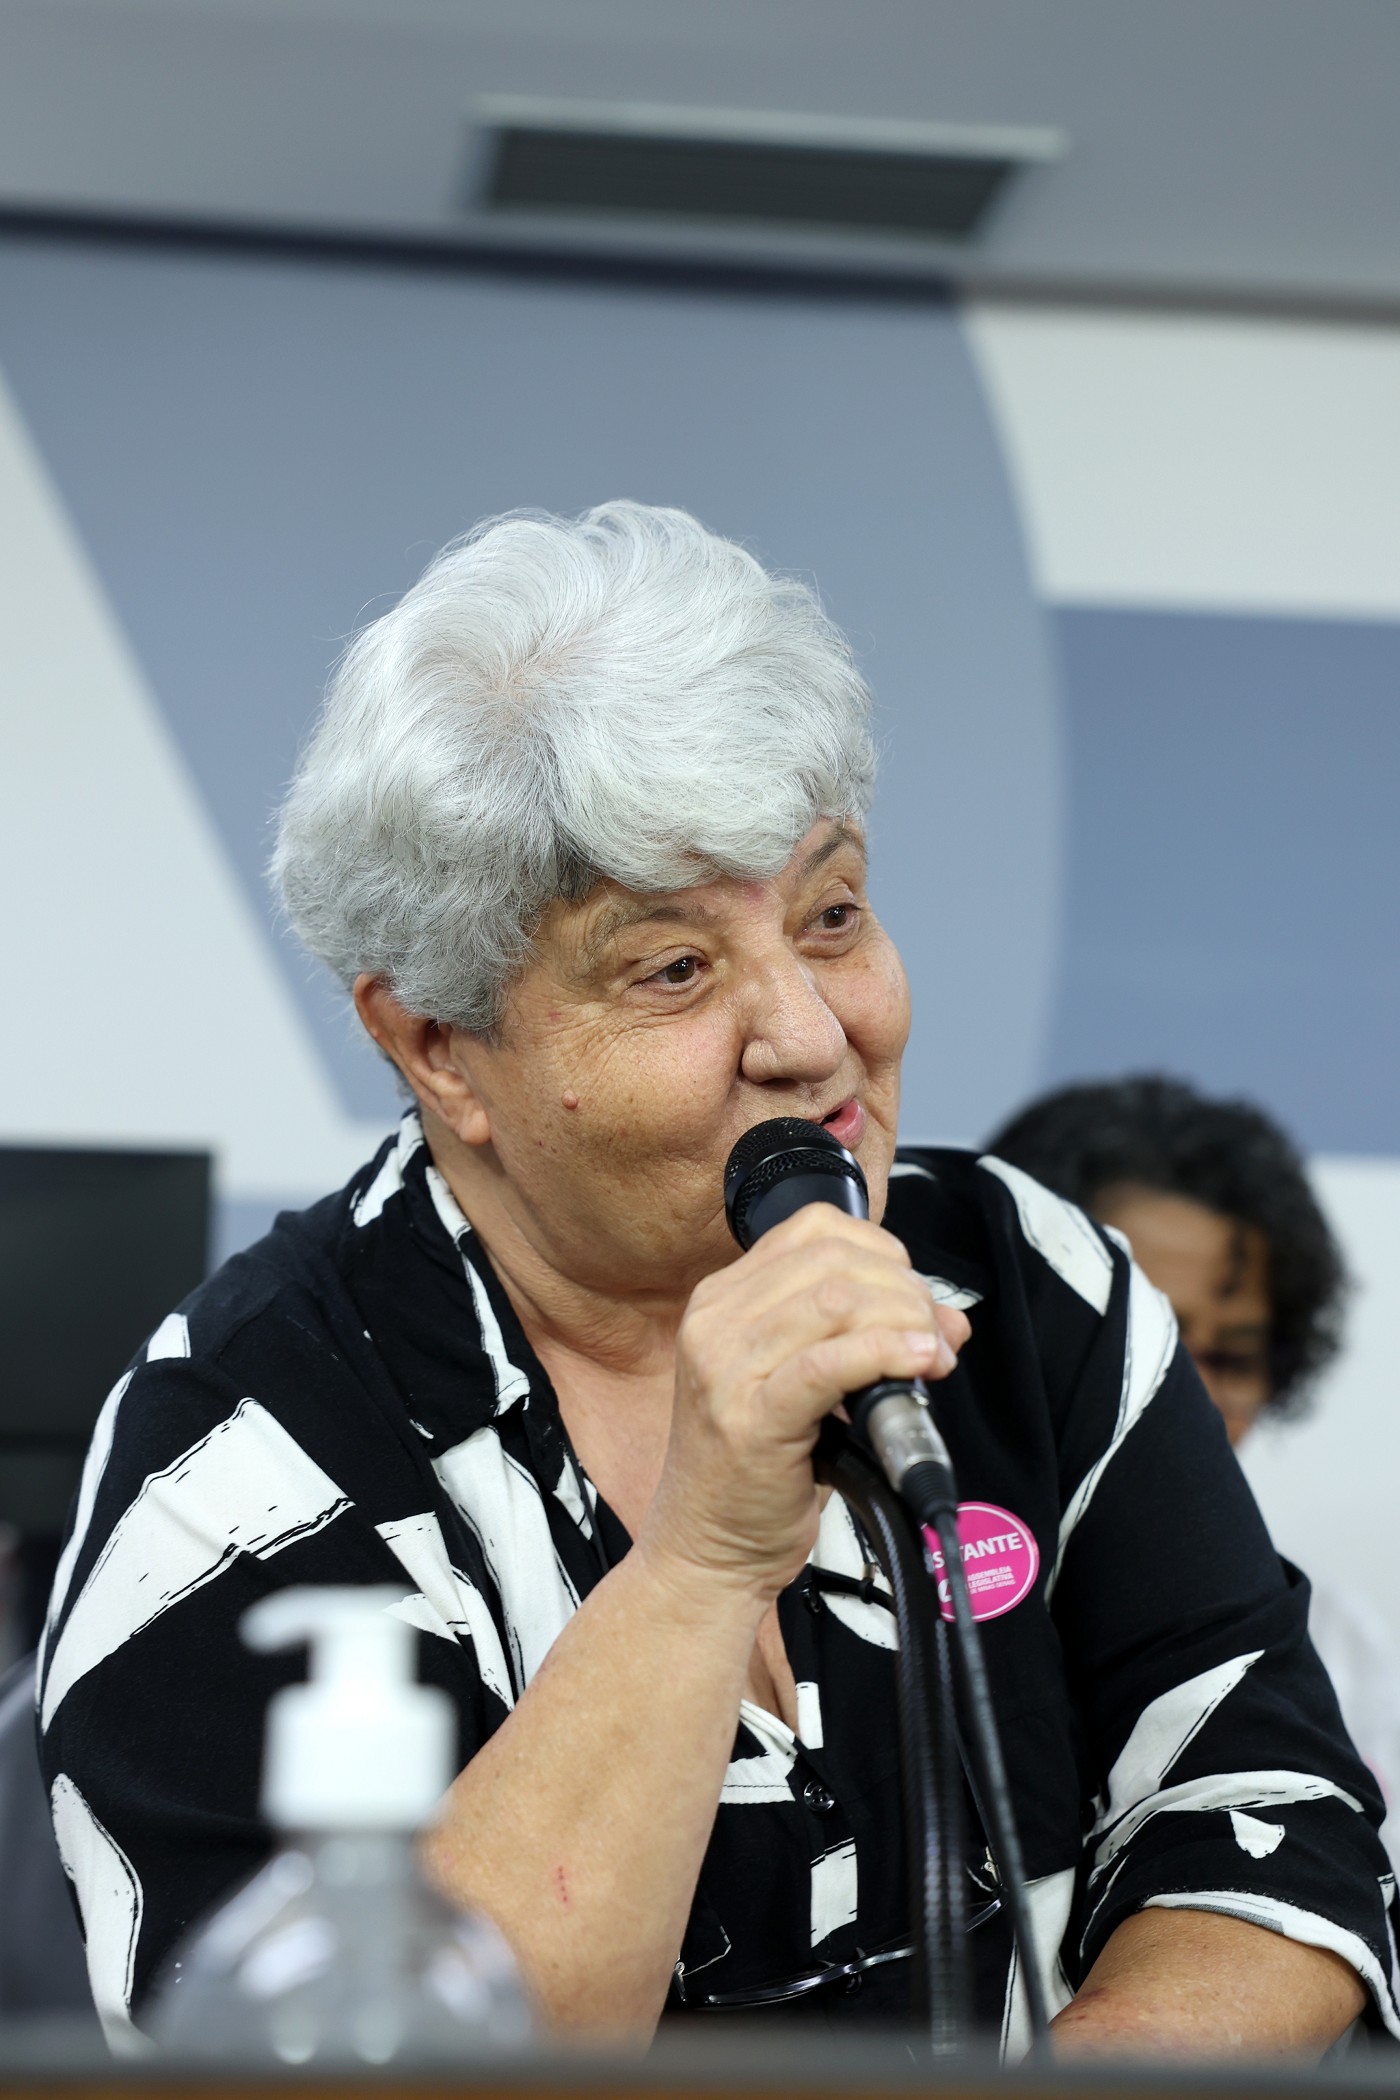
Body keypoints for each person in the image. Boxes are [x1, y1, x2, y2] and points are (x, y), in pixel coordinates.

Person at [38, 505, 1398, 2060]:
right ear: (436, 1046)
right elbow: (359, 2065)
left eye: (832, 915)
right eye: (672, 968)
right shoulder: (239, 1469)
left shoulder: (1028, 1286)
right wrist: (698, 1563)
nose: (811, 1037)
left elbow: (1275, 1825)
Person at [985, 1073, 1400, 1871]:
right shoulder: (879, 1611)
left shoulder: (1337, 1647)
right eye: (1145, 1344)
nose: (1189, 1400)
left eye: (1233, 1359)